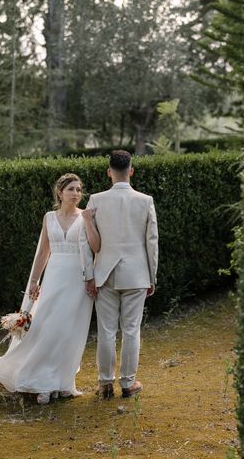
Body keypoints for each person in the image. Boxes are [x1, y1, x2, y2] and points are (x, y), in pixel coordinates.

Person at [0, 173, 100, 405]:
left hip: (79, 280)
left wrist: (88, 221)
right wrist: (35, 281)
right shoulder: (49, 217)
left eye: (79, 189)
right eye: (71, 189)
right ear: (60, 192)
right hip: (55, 278)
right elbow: (43, 252)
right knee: (46, 328)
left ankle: (64, 383)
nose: (76, 193)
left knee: (70, 333)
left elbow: (97, 247)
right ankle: (43, 382)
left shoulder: (86, 216)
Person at [79, 150, 159, 399]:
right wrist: (152, 277)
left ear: (108, 172)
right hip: (137, 274)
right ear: (131, 171)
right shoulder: (145, 200)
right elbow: (152, 242)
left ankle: (104, 384)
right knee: (132, 330)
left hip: (105, 274)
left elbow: (85, 242)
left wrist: (89, 276)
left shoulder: (95, 199)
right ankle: (128, 383)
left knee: (106, 331)